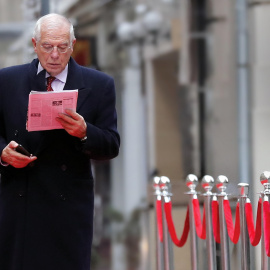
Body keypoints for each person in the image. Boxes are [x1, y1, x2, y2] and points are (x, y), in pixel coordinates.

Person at [0, 13, 120, 270]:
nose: (55, 54)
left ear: (72, 45)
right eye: (47, 46)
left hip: (69, 208)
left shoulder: (99, 85)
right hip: (21, 200)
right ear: (34, 44)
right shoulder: (7, 81)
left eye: (62, 47)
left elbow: (111, 144)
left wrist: (85, 132)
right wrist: (3, 153)